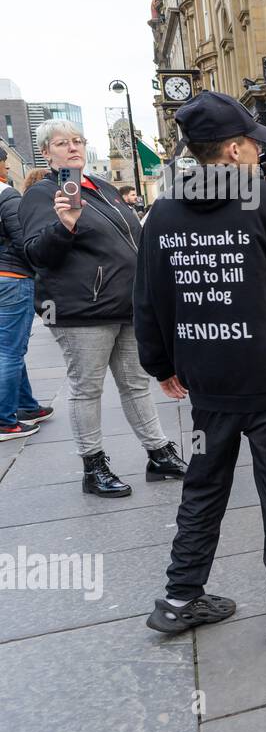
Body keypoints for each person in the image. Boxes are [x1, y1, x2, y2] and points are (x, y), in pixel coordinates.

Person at [134, 90, 266, 642]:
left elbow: (146, 297)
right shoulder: (260, 199)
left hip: (207, 379)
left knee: (202, 486)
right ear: (238, 148)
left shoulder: (163, 210)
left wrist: (160, 363)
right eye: (254, 146)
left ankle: (178, 598)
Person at [19, 119, 185, 497]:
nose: (73, 147)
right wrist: (64, 225)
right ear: (47, 153)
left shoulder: (103, 188)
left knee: (135, 383)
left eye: (78, 140)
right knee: (87, 389)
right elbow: (35, 254)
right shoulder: (43, 194)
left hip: (127, 305)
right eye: (62, 143)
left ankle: (158, 453)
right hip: (81, 312)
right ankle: (93, 467)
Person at [0, 145, 53, 441]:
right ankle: (5, 421)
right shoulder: (6, 196)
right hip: (11, 278)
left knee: (7, 347)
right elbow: (24, 241)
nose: (7, 169)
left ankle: (25, 406)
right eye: (5, 163)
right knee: (10, 350)